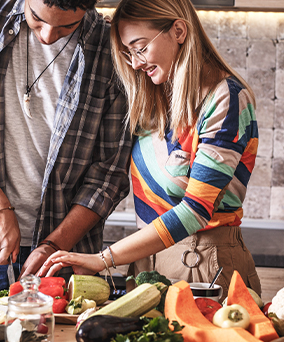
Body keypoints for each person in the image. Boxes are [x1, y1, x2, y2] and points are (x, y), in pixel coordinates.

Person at [37, 0, 261, 300]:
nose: (136, 63)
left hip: (202, 265)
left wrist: (103, 259)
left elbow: (195, 211)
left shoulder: (227, 99)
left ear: (178, 30)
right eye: (128, 54)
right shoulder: (155, 97)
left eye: (140, 48)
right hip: (146, 266)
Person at [0, 0, 132, 291]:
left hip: (67, 252)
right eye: (37, 19)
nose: (48, 36)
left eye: (67, 26)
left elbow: (109, 174)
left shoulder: (110, 45)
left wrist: (54, 244)